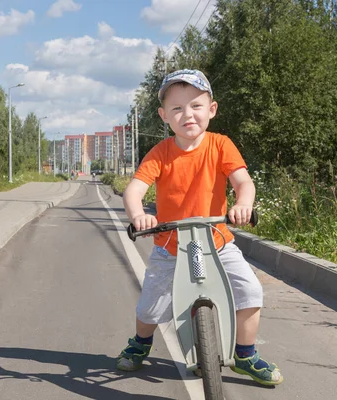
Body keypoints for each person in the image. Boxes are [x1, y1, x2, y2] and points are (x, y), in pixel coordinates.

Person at [116, 69, 283, 386]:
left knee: (250, 291)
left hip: (219, 242)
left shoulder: (221, 145)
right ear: (165, 116)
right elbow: (134, 189)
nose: (187, 114)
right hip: (170, 247)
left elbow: (242, 182)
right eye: (177, 109)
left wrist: (242, 204)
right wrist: (139, 215)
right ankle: (140, 344)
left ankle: (245, 355)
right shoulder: (161, 153)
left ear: (212, 109)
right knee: (150, 306)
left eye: (195, 105)